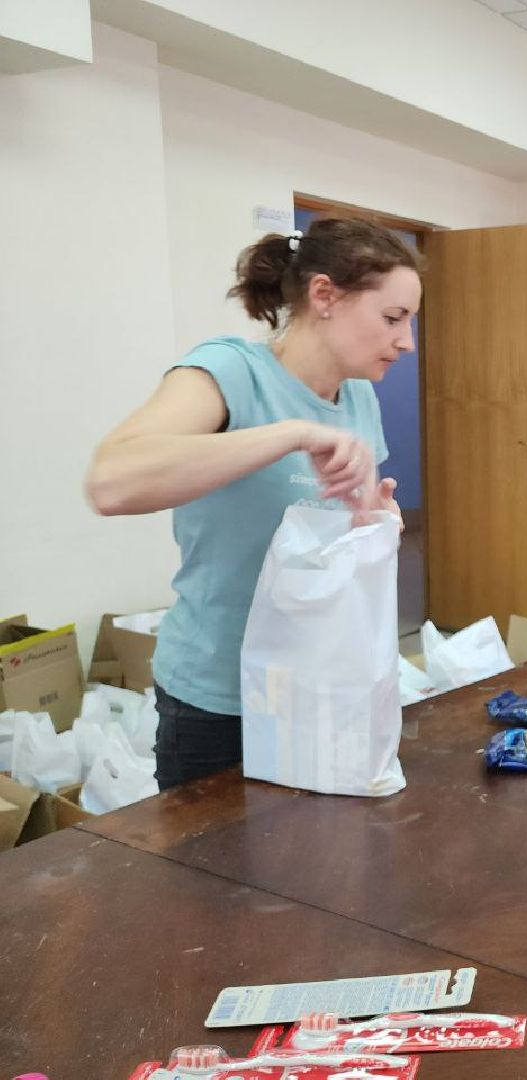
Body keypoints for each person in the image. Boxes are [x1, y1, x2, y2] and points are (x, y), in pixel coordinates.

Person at [85, 217, 421, 791]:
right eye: (392, 318)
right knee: (212, 876)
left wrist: (373, 523)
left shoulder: (360, 397)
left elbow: (337, 530)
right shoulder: (231, 372)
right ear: (324, 296)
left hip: (320, 683)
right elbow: (110, 483)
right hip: (220, 697)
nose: (406, 342)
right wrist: (290, 434)